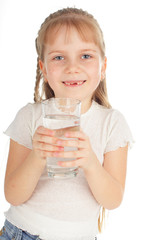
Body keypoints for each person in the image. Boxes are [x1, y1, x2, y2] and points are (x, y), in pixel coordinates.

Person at [0, 7, 134, 240]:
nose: (73, 67)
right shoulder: (29, 116)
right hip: (21, 233)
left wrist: (91, 162)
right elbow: (12, 195)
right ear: (43, 69)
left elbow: (113, 200)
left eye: (86, 56)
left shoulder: (112, 123)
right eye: (59, 57)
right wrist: (37, 157)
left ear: (102, 67)